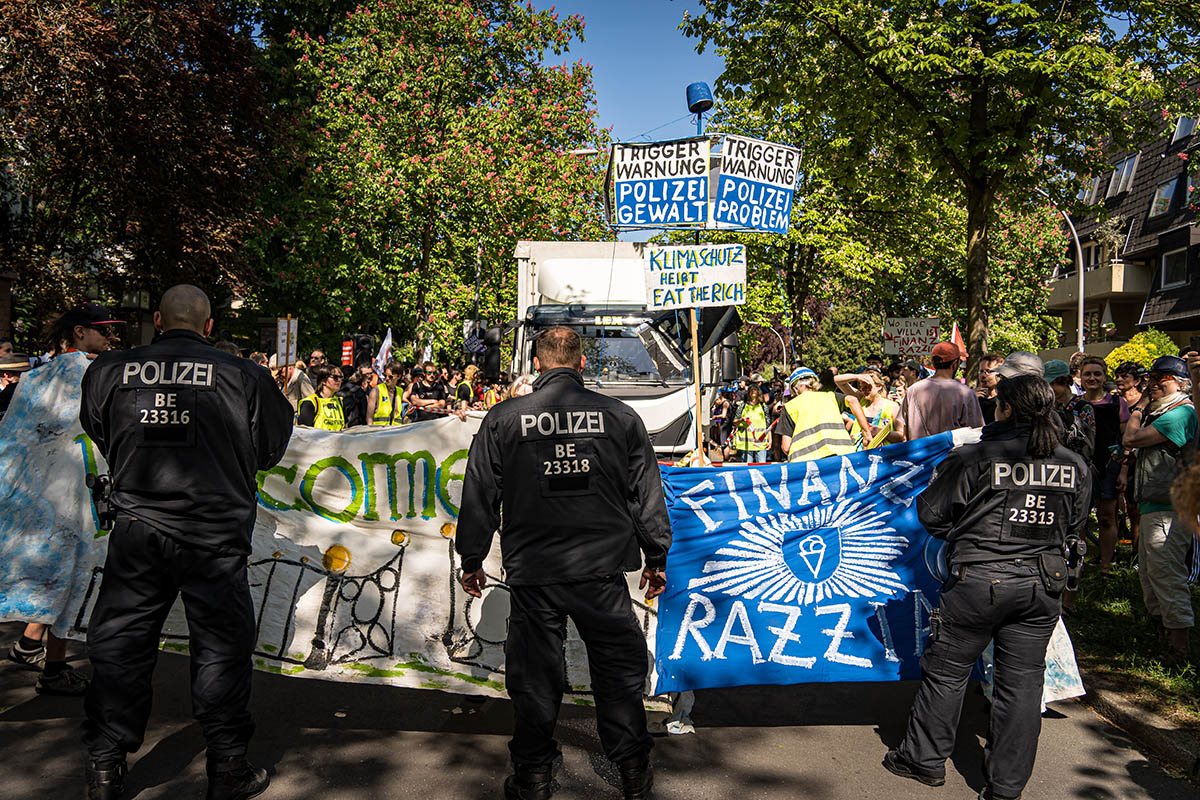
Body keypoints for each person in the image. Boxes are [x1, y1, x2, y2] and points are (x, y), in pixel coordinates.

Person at [78, 284, 294, 800]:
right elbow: (270, 450)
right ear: (210, 326)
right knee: (220, 649)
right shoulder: (245, 376)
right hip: (214, 536)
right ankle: (227, 766)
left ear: (156, 319)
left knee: (121, 647)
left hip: (137, 531)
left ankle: (106, 767)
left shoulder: (108, 372)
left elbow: (99, 432)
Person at [456, 326, 670, 800]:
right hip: (602, 570)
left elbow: (480, 495)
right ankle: (633, 769)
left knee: (535, 677)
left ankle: (533, 776)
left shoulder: (504, 418)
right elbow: (646, 494)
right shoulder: (619, 417)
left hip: (536, 571)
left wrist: (471, 557)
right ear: (581, 364)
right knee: (617, 672)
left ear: (536, 364)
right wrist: (656, 555)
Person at [884, 375, 1090, 800]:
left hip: (978, 581)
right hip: (1041, 586)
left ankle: (923, 759)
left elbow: (932, 514)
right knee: (1023, 684)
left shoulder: (974, 457)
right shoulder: (1073, 463)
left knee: (946, 671)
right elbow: (1075, 526)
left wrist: (969, 526)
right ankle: (1006, 787)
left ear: (1008, 409)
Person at [6, 302, 123, 696]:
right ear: (79, 332)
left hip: (34, 494)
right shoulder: (92, 376)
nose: (110, 338)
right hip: (79, 494)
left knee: (51, 575)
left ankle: (32, 646)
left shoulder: (36, 378)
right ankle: (53, 669)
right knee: (73, 578)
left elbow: (17, 436)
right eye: (104, 331)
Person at [1123, 355, 1196, 659]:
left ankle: (1179, 647)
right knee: (1150, 575)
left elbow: (1132, 437)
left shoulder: (1180, 413)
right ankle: (1163, 636)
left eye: (1160, 378)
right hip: (1154, 505)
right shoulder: (1164, 412)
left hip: (1170, 509)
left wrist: (1137, 409)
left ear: (1179, 383)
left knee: (1166, 574)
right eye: (1150, 378)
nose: (1152, 384)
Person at [1079, 357, 1122, 576]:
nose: (1092, 378)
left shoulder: (1116, 403)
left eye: (1097, 374)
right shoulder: (1075, 404)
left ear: (1105, 377)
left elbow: (1126, 438)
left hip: (1109, 465)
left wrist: (1123, 468)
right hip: (1082, 466)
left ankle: (1106, 565)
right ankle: (1078, 564)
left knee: (1106, 516)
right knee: (1081, 518)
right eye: (1088, 374)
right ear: (1080, 377)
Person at [895, 342, 984, 441]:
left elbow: (904, 431)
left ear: (933, 362)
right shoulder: (966, 393)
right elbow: (976, 434)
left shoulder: (913, 390)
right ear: (955, 364)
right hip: (952, 455)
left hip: (919, 455)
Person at [777, 367, 857, 462]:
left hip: (805, 463)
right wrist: (866, 432)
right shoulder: (830, 397)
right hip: (840, 456)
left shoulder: (790, 406)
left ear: (795, 388)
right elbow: (853, 400)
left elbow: (786, 447)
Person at [835, 367, 902, 448]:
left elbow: (901, 436)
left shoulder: (893, 407)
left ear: (879, 386)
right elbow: (837, 380)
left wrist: (881, 432)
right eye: (862, 387)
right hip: (858, 454)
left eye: (868, 387)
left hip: (882, 456)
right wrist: (857, 377)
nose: (864, 390)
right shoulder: (860, 400)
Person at [1044, 360, 1095, 463]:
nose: (1050, 389)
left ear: (1066, 381)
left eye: (1053, 384)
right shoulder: (1048, 408)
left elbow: (1090, 443)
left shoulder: (1083, 408)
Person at [298, 364, 346, 430]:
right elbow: (303, 433)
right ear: (323, 381)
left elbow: (345, 427)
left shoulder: (340, 402)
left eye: (341, 377)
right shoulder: (310, 403)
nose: (339, 380)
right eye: (335, 377)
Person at [731, 383, 770, 462]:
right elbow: (735, 422)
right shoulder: (742, 406)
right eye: (751, 390)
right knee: (747, 469)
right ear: (748, 393)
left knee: (761, 468)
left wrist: (770, 439)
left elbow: (768, 424)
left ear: (758, 392)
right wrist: (741, 420)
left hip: (760, 443)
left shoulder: (763, 406)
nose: (753, 391)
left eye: (755, 389)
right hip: (746, 444)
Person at [975, 353, 1005, 424]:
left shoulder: (1005, 400)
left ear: (1000, 374)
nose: (983, 375)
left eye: (988, 371)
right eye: (981, 371)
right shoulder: (975, 397)